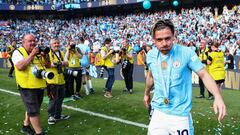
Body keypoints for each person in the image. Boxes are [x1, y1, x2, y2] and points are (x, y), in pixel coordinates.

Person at [144, 19, 226, 135]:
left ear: (173, 37)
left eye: (167, 38)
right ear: (154, 41)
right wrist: (146, 94)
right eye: (159, 40)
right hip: (158, 112)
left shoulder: (186, 53)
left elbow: (204, 74)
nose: (164, 43)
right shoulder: (151, 55)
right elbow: (151, 76)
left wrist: (217, 96)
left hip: (180, 115)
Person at [12, 34, 49, 135]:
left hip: (38, 85)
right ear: (23, 42)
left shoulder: (37, 53)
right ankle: (39, 132)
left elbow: (46, 65)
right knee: (33, 110)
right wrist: (32, 54)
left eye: (34, 41)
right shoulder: (18, 52)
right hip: (26, 86)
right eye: (30, 41)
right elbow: (20, 66)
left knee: (33, 108)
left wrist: (44, 56)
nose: (33, 43)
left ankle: (25, 126)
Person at [46, 38, 70, 125]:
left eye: (57, 43)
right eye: (54, 43)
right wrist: (61, 63)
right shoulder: (47, 53)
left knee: (60, 99)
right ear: (51, 45)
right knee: (53, 99)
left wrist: (59, 63)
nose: (56, 44)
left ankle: (58, 115)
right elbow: (50, 64)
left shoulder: (61, 52)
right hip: (52, 80)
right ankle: (50, 116)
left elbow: (67, 63)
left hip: (61, 80)